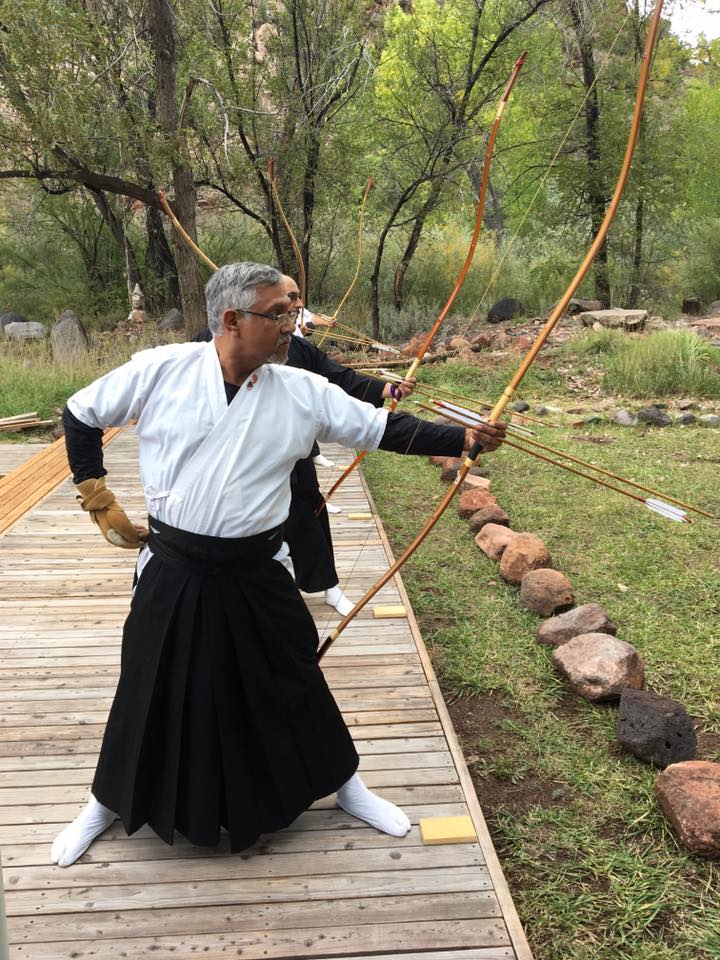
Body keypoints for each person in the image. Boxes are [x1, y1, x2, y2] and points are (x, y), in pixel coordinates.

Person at [52, 262, 505, 868]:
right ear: (232, 319)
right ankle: (106, 800)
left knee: (293, 676)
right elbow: (81, 413)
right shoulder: (162, 369)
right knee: (148, 680)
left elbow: (383, 429)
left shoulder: (301, 389)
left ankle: (346, 785)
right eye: (278, 313)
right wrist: (96, 495)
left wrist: (462, 439)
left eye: (293, 311)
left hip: (258, 566)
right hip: (173, 564)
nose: (293, 323)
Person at [195, 274, 416, 616]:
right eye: (291, 297)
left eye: (297, 298)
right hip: (233, 458)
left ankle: (328, 586)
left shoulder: (296, 348)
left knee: (309, 517)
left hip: (289, 454)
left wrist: (388, 389)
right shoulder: (208, 344)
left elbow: (339, 377)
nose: (298, 304)